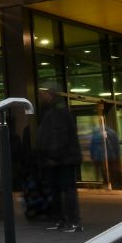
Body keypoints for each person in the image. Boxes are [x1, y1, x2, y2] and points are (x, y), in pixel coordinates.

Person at [35, 82, 83, 232]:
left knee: (67, 190)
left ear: (50, 94)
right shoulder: (52, 110)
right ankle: (61, 220)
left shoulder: (58, 111)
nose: (40, 96)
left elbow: (59, 135)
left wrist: (53, 155)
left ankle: (73, 221)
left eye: (43, 93)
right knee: (57, 190)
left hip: (63, 159)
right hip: (59, 158)